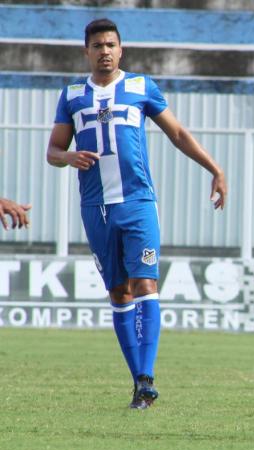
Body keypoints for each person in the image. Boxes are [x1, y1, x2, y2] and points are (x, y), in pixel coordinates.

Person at [46, 18, 227, 410]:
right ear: (87, 51)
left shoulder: (142, 87)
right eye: (97, 45)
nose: (105, 51)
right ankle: (139, 383)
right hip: (96, 208)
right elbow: (53, 151)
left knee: (146, 284)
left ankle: (147, 377)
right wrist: (68, 157)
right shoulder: (73, 95)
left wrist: (215, 169)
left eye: (111, 44)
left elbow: (178, 134)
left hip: (138, 203)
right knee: (118, 291)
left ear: (121, 49)